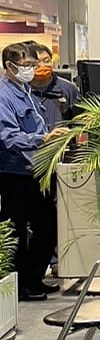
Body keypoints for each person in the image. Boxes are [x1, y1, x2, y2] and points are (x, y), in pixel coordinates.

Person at [0, 43, 64, 300]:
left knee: (48, 226)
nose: (32, 70)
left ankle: (33, 279)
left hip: (36, 170)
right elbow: (7, 136)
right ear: (9, 66)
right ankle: (21, 286)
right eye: (26, 65)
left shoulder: (25, 90)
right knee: (17, 232)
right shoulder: (3, 95)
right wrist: (42, 139)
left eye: (33, 64)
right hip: (15, 174)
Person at [28, 44, 79, 132]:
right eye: (36, 63)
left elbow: (80, 123)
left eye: (47, 61)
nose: (42, 65)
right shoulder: (21, 91)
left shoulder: (68, 89)